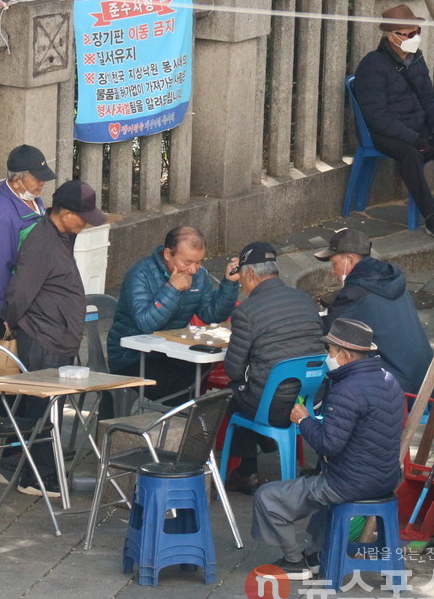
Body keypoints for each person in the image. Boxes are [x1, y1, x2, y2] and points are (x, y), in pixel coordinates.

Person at [250, 318, 403, 579]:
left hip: (350, 482)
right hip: (385, 478)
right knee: (320, 485)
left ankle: (294, 562)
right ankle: (320, 555)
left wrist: (304, 420)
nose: (327, 357)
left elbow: (329, 444)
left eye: (330, 352)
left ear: (343, 355)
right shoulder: (389, 380)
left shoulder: (347, 390)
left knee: (267, 497)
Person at [1, 179, 108, 496]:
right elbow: (19, 293)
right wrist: (14, 325)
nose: (86, 222)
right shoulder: (41, 242)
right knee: (42, 409)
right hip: (43, 337)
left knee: (45, 408)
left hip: (58, 335)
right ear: (65, 213)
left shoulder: (62, 235)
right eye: (83, 216)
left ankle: (17, 462)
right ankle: (38, 476)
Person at [353, 3, 434, 239]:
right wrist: (414, 138)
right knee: (411, 154)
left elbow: (429, 98)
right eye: (408, 34)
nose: (414, 38)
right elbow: (376, 117)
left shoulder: (416, 59)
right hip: (386, 132)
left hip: (417, 125)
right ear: (392, 37)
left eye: (416, 32)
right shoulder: (372, 65)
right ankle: (431, 216)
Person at [221, 242, 325, 496]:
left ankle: (246, 471)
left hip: (273, 407)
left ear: (251, 275)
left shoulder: (247, 312)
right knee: (253, 388)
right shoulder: (304, 299)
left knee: (233, 393)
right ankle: (265, 445)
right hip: (310, 401)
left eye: (243, 279)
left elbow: (234, 369)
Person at [104, 225, 241, 417]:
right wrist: (172, 289)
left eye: (199, 262)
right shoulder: (140, 274)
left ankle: (184, 429)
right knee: (181, 384)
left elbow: (211, 315)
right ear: (168, 254)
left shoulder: (199, 276)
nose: (193, 269)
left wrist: (229, 283)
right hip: (131, 357)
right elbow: (146, 324)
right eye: (188, 262)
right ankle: (175, 432)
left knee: (205, 374)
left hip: (171, 353)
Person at [315, 228, 431, 395]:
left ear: (350, 259)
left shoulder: (355, 292)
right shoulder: (390, 280)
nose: (333, 272)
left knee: (338, 363)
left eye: (334, 264)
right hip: (425, 377)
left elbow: (330, 334)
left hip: (396, 387)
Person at [0, 144, 56, 338]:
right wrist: (7, 313)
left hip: (32, 300)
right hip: (13, 308)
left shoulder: (30, 198)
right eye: (37, 178)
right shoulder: (3, 216)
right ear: (16, 181)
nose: (42, 182)